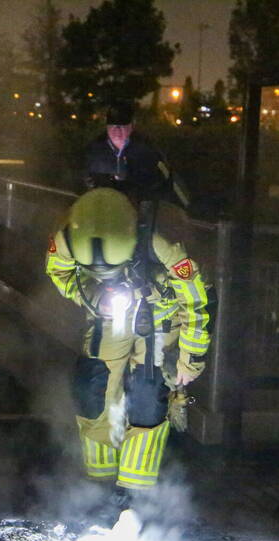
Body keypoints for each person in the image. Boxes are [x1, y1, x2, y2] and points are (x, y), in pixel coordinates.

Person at [45, 187, 210, 521]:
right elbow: (60, 274)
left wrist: (190, 357)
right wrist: (94, 294)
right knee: (91, 388)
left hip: (159, 321)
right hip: (108, 319)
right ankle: (100, 481)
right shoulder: (67, 240)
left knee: (148, 396)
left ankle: (134, 489)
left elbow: (195, 301)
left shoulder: (160, 246)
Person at [84, 100, 189, 208]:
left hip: (140, 215)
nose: (117, 131)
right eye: (113, 126)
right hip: (103, 214)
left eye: (123, 126)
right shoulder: (96, 149)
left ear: (132, 125)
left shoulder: (147, 151)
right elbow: (84, 182)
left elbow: (166, 183)